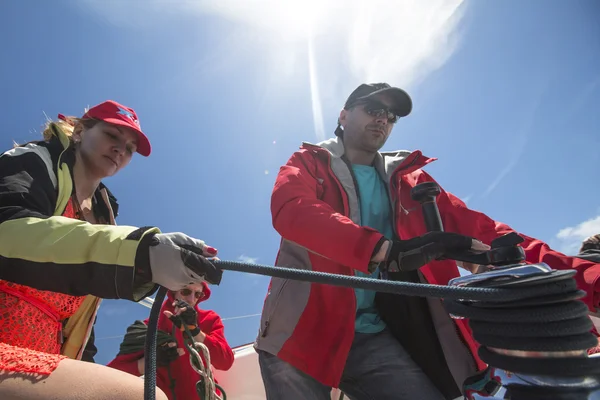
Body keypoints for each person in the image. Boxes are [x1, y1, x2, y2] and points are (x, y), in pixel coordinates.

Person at [254, 82, 600, 400]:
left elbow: (490, 235)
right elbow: (291, 209)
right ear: (343, 115)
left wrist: (591, 284)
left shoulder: (412, 182)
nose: (383, 120)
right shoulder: (308, 163)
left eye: (391, 116)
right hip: (298, 334)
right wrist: (384, 251)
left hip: (375, 334)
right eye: (373, 109)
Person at [0, 100, 222, 400]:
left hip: (43, 361)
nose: (120, 149)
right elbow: (7, 231)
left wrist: (86, 366)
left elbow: (83, 318)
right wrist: (138, 253)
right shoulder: (32, 160)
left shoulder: (106, 216)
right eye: (112, 136)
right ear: (79, 131)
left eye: (129, 148)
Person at [107, 281, 234, 400]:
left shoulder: (209, 319)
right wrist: (151, 361)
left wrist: (195, 331)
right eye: (185, 291)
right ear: (173, 291)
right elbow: (111, 374)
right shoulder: (147, 329)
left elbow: (225, 362)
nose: (191, 299)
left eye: (197, 294)